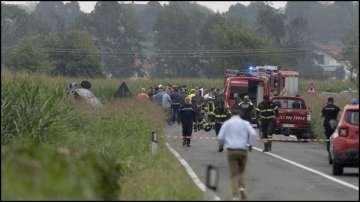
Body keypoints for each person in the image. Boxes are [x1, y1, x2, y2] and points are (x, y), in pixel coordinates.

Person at [217, 107, 257, 200]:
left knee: (234, 174)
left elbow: (220, 137)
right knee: (241, 172)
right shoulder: (245, 123)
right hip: (243, 150)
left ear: (231, 114)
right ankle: (242, 189)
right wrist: (250, 145)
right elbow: (253, 134)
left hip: (231, 151)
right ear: (240, 114)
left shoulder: (227, 123)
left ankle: (235, 196)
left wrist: (221, 145)